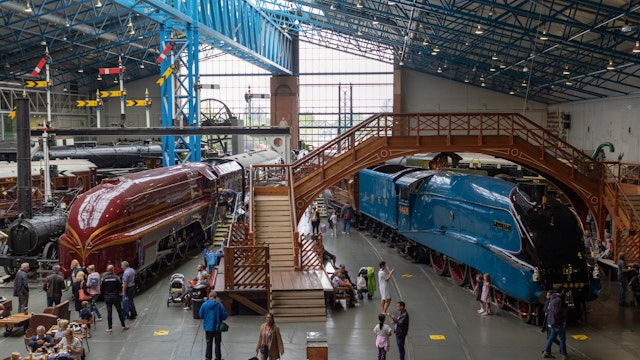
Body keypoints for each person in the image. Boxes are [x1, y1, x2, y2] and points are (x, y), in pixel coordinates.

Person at [199, 291, 228, 360]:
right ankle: (218, 357)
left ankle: (208, 358)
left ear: (209, 297)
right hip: (217, 328)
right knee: (217, 344)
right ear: (216, 297)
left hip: (208, 328)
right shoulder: (219, 305)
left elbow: (201, 315)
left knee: (209, 343)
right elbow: (224, 316)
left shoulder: (204, 305)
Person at [100, 264, 129, 333]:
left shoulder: (104, 279)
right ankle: (123, 324)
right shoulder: (117, 278)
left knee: (109, 313)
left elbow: (101, 288)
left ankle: (110, 328)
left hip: (107, 297)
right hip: (115, 297)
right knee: (119, 311)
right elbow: (119, 287)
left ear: (107, 270)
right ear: (113, 270)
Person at [542, 284, 567, 359]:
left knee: (551, 337)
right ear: (561, 290)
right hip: (557, 322)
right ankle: (564, 355)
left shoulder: (552, 297)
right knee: (562, 338)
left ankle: (546, 352)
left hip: (551, 321)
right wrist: (562, 321)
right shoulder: (559, 300)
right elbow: (557, 312)